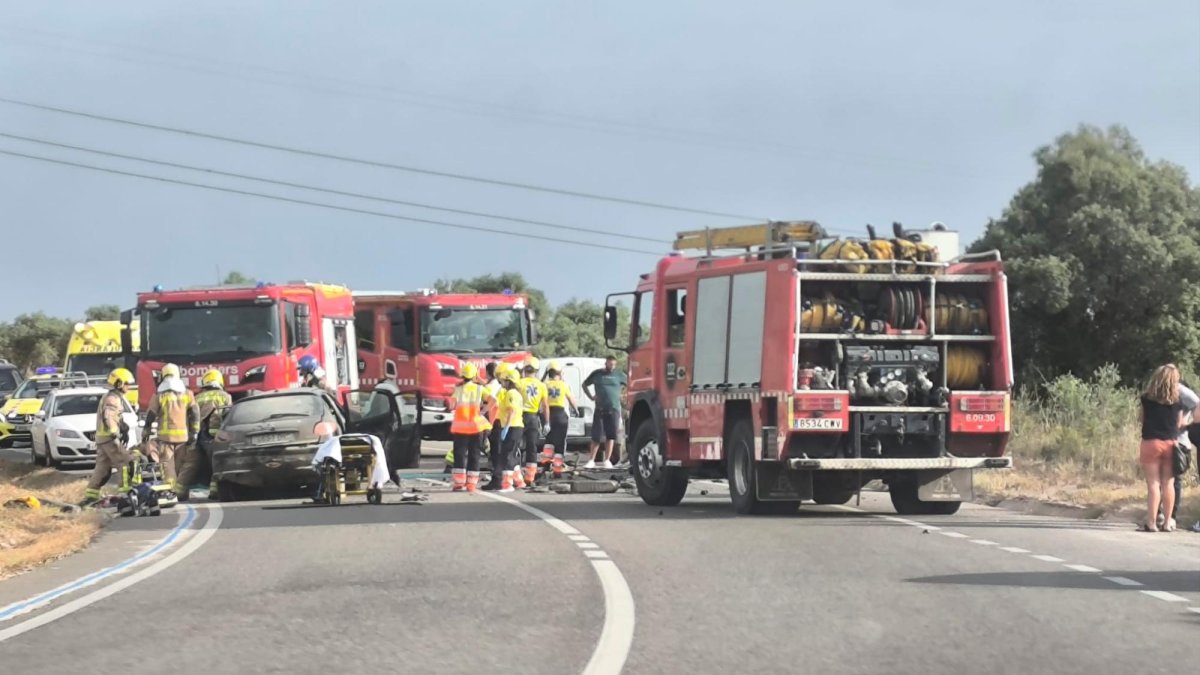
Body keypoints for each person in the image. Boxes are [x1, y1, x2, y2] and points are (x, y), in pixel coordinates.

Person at [81, 368, 137, 507]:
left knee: (103, 468)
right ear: (119, 383)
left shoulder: (112, 397)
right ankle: (125, 493)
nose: (128, 387)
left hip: (102, 439)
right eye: (127, 384)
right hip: (109, 439)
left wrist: (123, 426)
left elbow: (115, 416)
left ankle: (91, 495)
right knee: (126, 462)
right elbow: (109, 417)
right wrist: (115, 434)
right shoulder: (113, 399)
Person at [1138, 364, 1183, 532]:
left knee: (1153, 484)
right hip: (1171, 443)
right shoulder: (1178, 400)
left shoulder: (1146, 398)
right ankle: (1168, 522)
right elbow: (1178, 424)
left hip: (1151, 442)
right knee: (1168, 484)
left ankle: (1151, 522)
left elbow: (1141, 419)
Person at [143, 363, 200, 495]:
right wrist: (195, 432)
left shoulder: (159, 395)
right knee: (180, 466)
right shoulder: (187, 394)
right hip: (183, 438)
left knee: (167, 466)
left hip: (165, 438)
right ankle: (181, 492)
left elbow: (151, 415)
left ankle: (170, 492)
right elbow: (195, 413)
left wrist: (146, 432)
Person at [447, 362, 495, 493]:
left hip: (460, 428)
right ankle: (471, 485)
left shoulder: (458, 389)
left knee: (460, 456)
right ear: (475, 375)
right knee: (475, 456)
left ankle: (458, 484)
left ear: (463, 375)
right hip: (476, 427)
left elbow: (451, 406)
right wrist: (483, 411)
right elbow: (493, 400)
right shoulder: (480, 389)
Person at [1161, 381, 1198, 527]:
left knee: (1174, 479)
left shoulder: (1181, 391)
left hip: (1179, 441)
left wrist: (1188, 425)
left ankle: (1171, 517)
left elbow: (1197, 404)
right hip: (1164, 439)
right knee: (1161, 480)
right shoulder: (1158, 389)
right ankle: (1160, 515)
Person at [192, 369, 233, 502]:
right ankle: (214, 491)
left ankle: (182, 490)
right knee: (217, 463)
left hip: (198, 436)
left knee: (193, 464)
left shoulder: (198, 397)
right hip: (217, 436)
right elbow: (228, 416)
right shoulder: (225, 396)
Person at [583, 356, 627, 469]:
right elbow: (585, 384)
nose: (611, 366)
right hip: (600, 409)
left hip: (614, 409)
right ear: (606, 363)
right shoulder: (597, 374)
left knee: (611, 436)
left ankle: (607, 460)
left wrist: (623, 395)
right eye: (609, 364)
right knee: (596, 436)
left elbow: (630, 384)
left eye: (613, 365)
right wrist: (591, 397)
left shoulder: (619, 374)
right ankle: (591, 460)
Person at [518, 357, 549, 487]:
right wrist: (546, 422)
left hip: (519, 416)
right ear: (536, 370)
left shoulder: (519, 383)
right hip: (533, 418)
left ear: (524, 369)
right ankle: (530, 477)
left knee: (516, 446)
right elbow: (545, 406)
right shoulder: (541, 385)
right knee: (532, 447)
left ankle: (517, 476)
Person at [543, 361, 577, 477]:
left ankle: (546, 465)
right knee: (560, 442)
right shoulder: (564, 384)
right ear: (559, 372)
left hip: (548, 414)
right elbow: (571, 399)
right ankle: (557, 470)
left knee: (549, 441)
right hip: (561, 414)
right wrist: (576, 410)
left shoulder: (545, 385)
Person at [496, 364, 525, 493]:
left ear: (509, 381)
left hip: (512, 426)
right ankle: (519, 480)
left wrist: (506, 427)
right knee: (512, 454)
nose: (502, 382)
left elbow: (511, 411)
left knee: (507, 455)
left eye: (503, 380)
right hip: (517, 426)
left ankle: (508, 484)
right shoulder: (516, 393)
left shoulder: (511, 393)